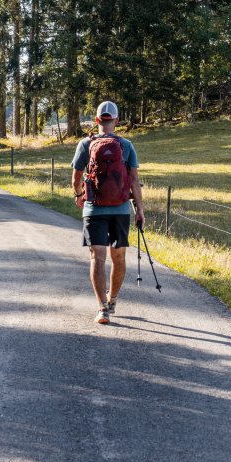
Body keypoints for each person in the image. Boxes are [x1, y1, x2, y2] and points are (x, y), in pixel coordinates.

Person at [71, 100, 144, 324]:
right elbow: (133, 179)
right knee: (118, 256)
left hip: (94, 210)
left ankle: (102, 308)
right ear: (116, 120)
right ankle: (112, 300)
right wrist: (140, 209)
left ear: (96, 120)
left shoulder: (85, 144)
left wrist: (79, 196)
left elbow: (76, 177)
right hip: (121, 209)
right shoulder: (126, 145)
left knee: (97, 257)